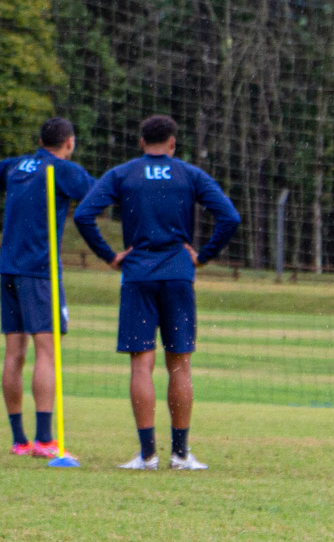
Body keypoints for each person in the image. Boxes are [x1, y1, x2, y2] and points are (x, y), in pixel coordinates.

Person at [73, 115, 240, 471]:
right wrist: (203, 255)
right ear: (173, 143)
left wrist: (110, 256)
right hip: (179, 274)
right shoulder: (189, 174)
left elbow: (84, 214)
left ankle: (147, 454)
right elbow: (230, 217)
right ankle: (180, 455)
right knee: (179, 363)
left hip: (137, 274)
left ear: (140, 141)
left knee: (141, 364)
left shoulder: (123, 174)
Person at [0, 119, 96, 459]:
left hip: (9, 269)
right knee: (47, 351)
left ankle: (19, 441)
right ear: (69, 142)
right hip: (39, 272)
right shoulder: (63, 169)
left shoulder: (17, 165)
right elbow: (101, 193)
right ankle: (44, 440)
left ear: (40, 140)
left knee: (14, 353)